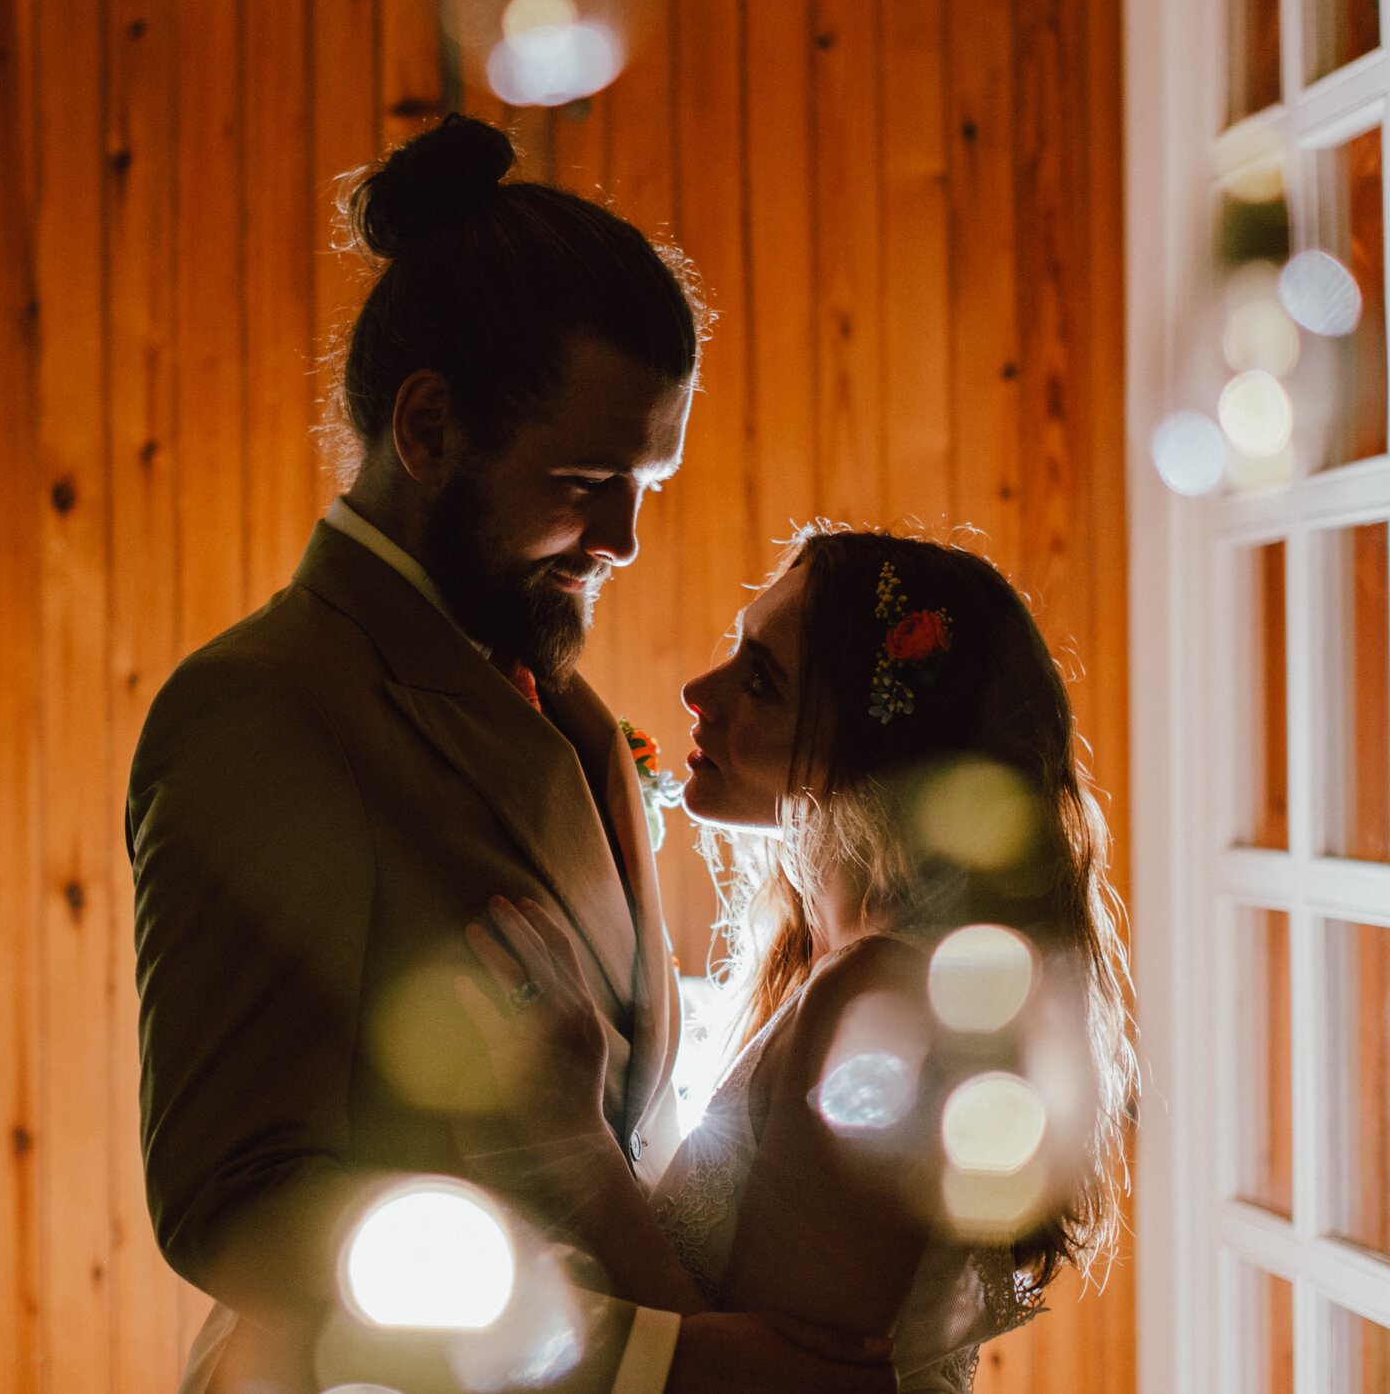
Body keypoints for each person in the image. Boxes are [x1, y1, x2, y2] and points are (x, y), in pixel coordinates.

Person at [127, 117, 901, 1394]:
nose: (624, 536)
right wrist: (657, 1358)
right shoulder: (263, 712)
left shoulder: (570, 711)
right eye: (587, 476)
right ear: (428, 428)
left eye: (646, 479)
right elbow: (236, 1203)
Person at [465, 528, 1136, 1393]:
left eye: (761, 681)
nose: (696, 691)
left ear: (873, 759)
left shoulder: (880, 998)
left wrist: (568, 1130)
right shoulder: (844, 959)